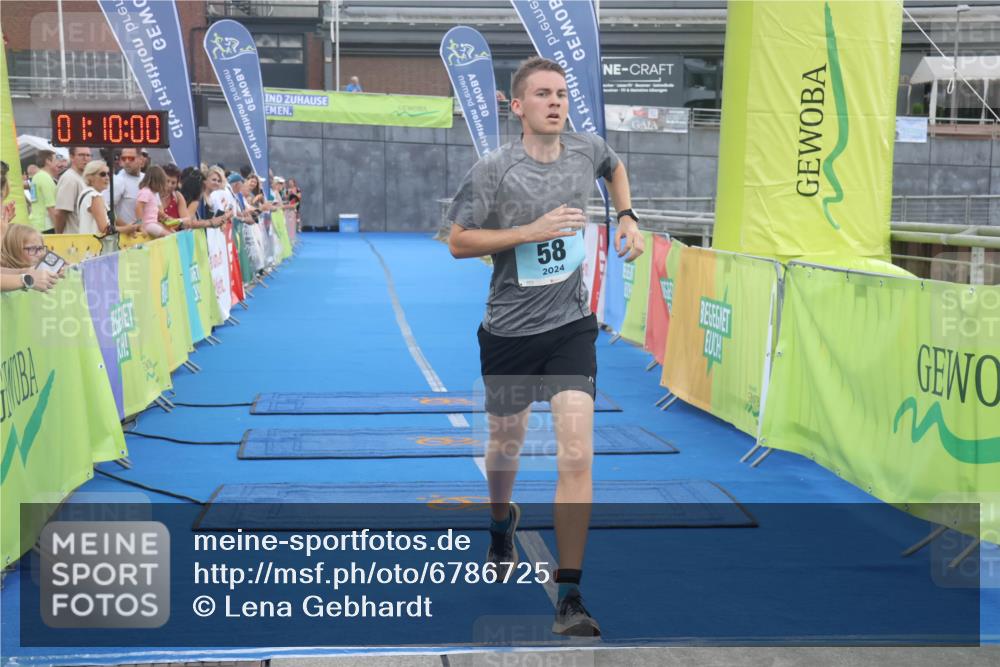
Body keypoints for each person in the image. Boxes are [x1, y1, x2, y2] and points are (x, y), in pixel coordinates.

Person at [446, 57, 644, 638]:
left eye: (561, 94)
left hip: (569, 326)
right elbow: (458, 241)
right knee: (505, 444)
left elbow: (615, 166)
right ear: (518, 107)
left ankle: (571, 594)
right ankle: (501, 523)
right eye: (543, 95)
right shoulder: (493, 171)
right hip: (508, 330)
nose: (556, 102)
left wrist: (627, 216)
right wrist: (529, 232)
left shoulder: (588, 149)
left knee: (577, 453)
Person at [0, 224, 61, 292]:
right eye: (32, 249)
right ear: (11, 250)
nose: (40, 254)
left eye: (40, 248)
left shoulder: (38, 273)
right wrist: (27, 280)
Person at [52, 146, 91, 233]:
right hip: (74, 238)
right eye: (81, 155)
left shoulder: (83, 177)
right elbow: (60, 213)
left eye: (88, 155)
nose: (85, 158)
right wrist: (59, 236)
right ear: (71, 157)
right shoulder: (69, 179)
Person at [105, 147, 144, 226]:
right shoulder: (117, 181)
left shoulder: (147, 179)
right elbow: (105, 208)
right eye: (123, 158)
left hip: (148, 233)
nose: (127, 162)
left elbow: (156, 207)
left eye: (131, 158)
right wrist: (127, 227)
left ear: (141, 160)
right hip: (127, 236)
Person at [135, 166, 171, 238]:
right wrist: (140, 226)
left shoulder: (153, 194)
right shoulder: (146, 192)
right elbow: (139, 208)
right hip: (148, 225)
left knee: (171, 231)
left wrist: (162, 215)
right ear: (157, 182)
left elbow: (151, 209)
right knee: (169, 236)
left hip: (153, 223)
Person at [29, 150, 60, 233]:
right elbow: (51, 208)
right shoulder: (45, 178)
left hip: (36, 225)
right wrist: (59, 231)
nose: (58, 162)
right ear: (48, 161)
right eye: (56, 159)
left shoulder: (36, 177)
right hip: (47, 226)